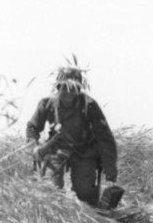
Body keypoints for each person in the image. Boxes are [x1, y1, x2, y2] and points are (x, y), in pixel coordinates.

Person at [26, 60, 118, 207]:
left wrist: (110, 167)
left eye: (74, 89)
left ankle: (92, 218)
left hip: (84, 152)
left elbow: (104, 137)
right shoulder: (46, 104)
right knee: (50, 192)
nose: (69, 93)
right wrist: (34, 147)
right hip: (56, 151)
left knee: (85, 194)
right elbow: (32, 128)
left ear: (79, 89)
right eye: (65, 88)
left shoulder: (89, 105)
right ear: (58, 86)